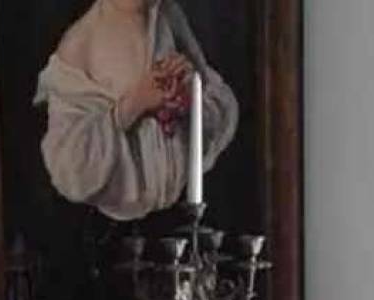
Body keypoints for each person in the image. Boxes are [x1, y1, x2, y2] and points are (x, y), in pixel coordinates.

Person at [35, 0, 238, 221]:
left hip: (180, 213)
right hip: (111, 225)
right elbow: (69, 165)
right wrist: (134, 104)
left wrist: (189, 93)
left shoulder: (166, 14)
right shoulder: (80, 42)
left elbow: (215, 101)